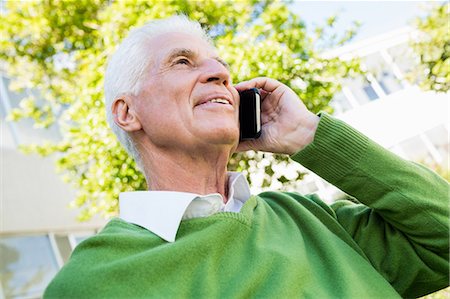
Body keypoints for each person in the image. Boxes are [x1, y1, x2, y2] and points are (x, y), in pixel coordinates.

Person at [44, 15, 449, 299]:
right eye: (182, 62)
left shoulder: (311, 219)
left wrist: (308, 135)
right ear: (127, 112)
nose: (220, 75)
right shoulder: (93, 281)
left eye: (221, 67)